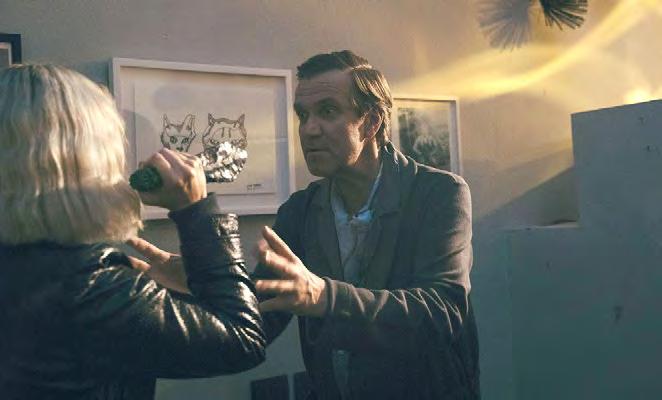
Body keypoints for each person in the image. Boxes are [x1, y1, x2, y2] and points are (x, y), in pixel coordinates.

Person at [134, 50, 480, 399]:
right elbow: (258, 319)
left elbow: (443, 313)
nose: (309, 130)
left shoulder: (438, 193)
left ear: (371, 122)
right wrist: (208, 278)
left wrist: (324, 297)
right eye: (303, 115)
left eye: (327, 112)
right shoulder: (300, 210)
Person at [0, 64, 265, 399]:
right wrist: (196, 211)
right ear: (87, 160)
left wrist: (193, 286)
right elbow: (243, 339)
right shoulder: (89, 286)